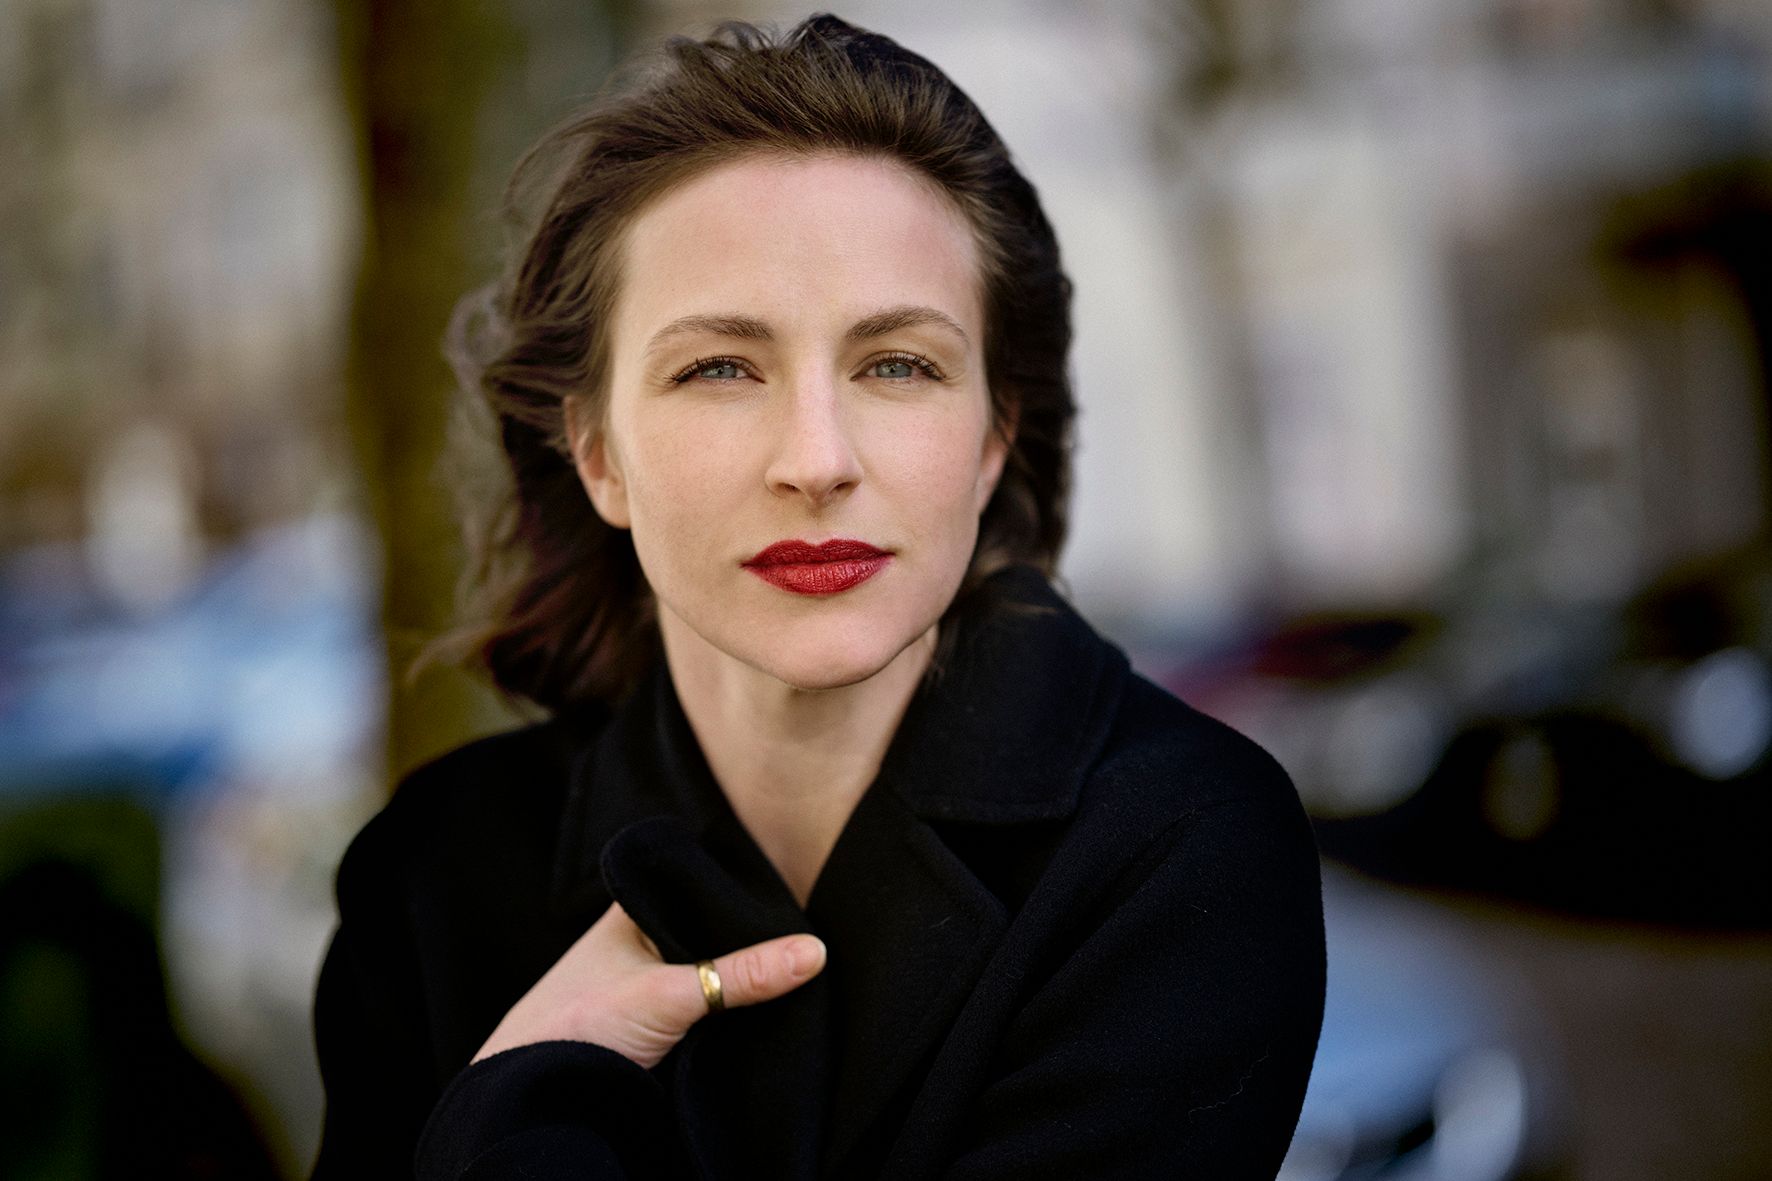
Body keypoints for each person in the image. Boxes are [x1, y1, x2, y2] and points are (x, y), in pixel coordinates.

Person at [311, 14, 1325, 1180]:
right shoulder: (432, 871)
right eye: (718, 367)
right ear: (595, 452)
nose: (816, 459)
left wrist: (519, 1100)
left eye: (897, 363)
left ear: (992, 435)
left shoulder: (1181, 845)